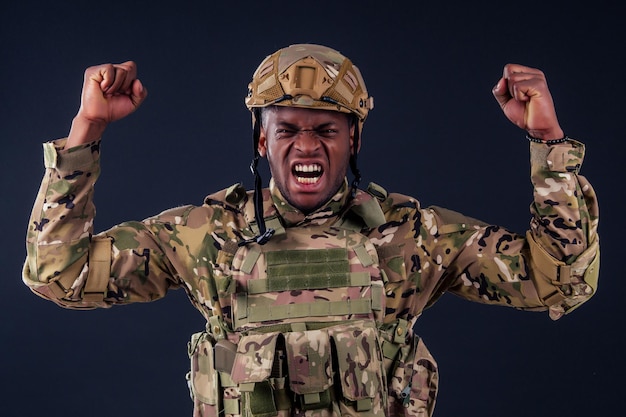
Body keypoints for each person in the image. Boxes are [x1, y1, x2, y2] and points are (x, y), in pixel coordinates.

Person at [23, 44, 600, 417]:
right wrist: (87, 130)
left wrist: (548, 145)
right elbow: (60, 276)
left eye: (327, 129)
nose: (306, 145)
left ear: (354, 140)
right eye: (287, 129)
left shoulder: (410, 235)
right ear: (261, 140)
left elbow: (555, 282)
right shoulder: (205, 235)